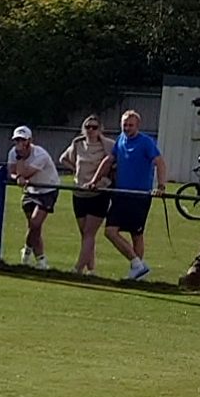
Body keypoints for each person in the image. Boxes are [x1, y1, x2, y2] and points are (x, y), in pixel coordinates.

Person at [86, 110, 166, 281]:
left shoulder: (146, 142)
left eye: (130, 125)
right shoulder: (120, 140)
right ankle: (138, 264)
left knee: (136, 234)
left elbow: (159, 162)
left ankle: (137, 273)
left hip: (139, 195)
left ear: (138, 126)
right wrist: (94, 181)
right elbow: (109, 161)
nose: (127, 128)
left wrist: (161, 186)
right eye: (125, 125)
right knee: (110, 231)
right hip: (121, 194)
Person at [58, 115, 114, 275]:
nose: (90, 130)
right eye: (87, 127)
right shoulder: (78, 143)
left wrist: (103, 179)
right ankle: (91, 269)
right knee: (85, 234)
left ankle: (77, 269)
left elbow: (114, 163)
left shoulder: (108, 145)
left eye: (94, 127)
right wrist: (75, 170)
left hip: (99, 193)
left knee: (89, 232)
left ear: (100, 129)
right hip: (79, 192)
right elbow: (63, 159)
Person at [6, 126, 60, 270]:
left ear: (29, 141)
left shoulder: (40, 155)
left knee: (35, 223)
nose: (19, 143)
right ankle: (40, 260)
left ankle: (29, 251)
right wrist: (17, 177)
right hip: (30, 191)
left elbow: (26, 173)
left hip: (47, 189)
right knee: (33, 226)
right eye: (17, 140)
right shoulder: (12, 153)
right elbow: (11, 172)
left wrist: (20, 160)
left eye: (22, 140)